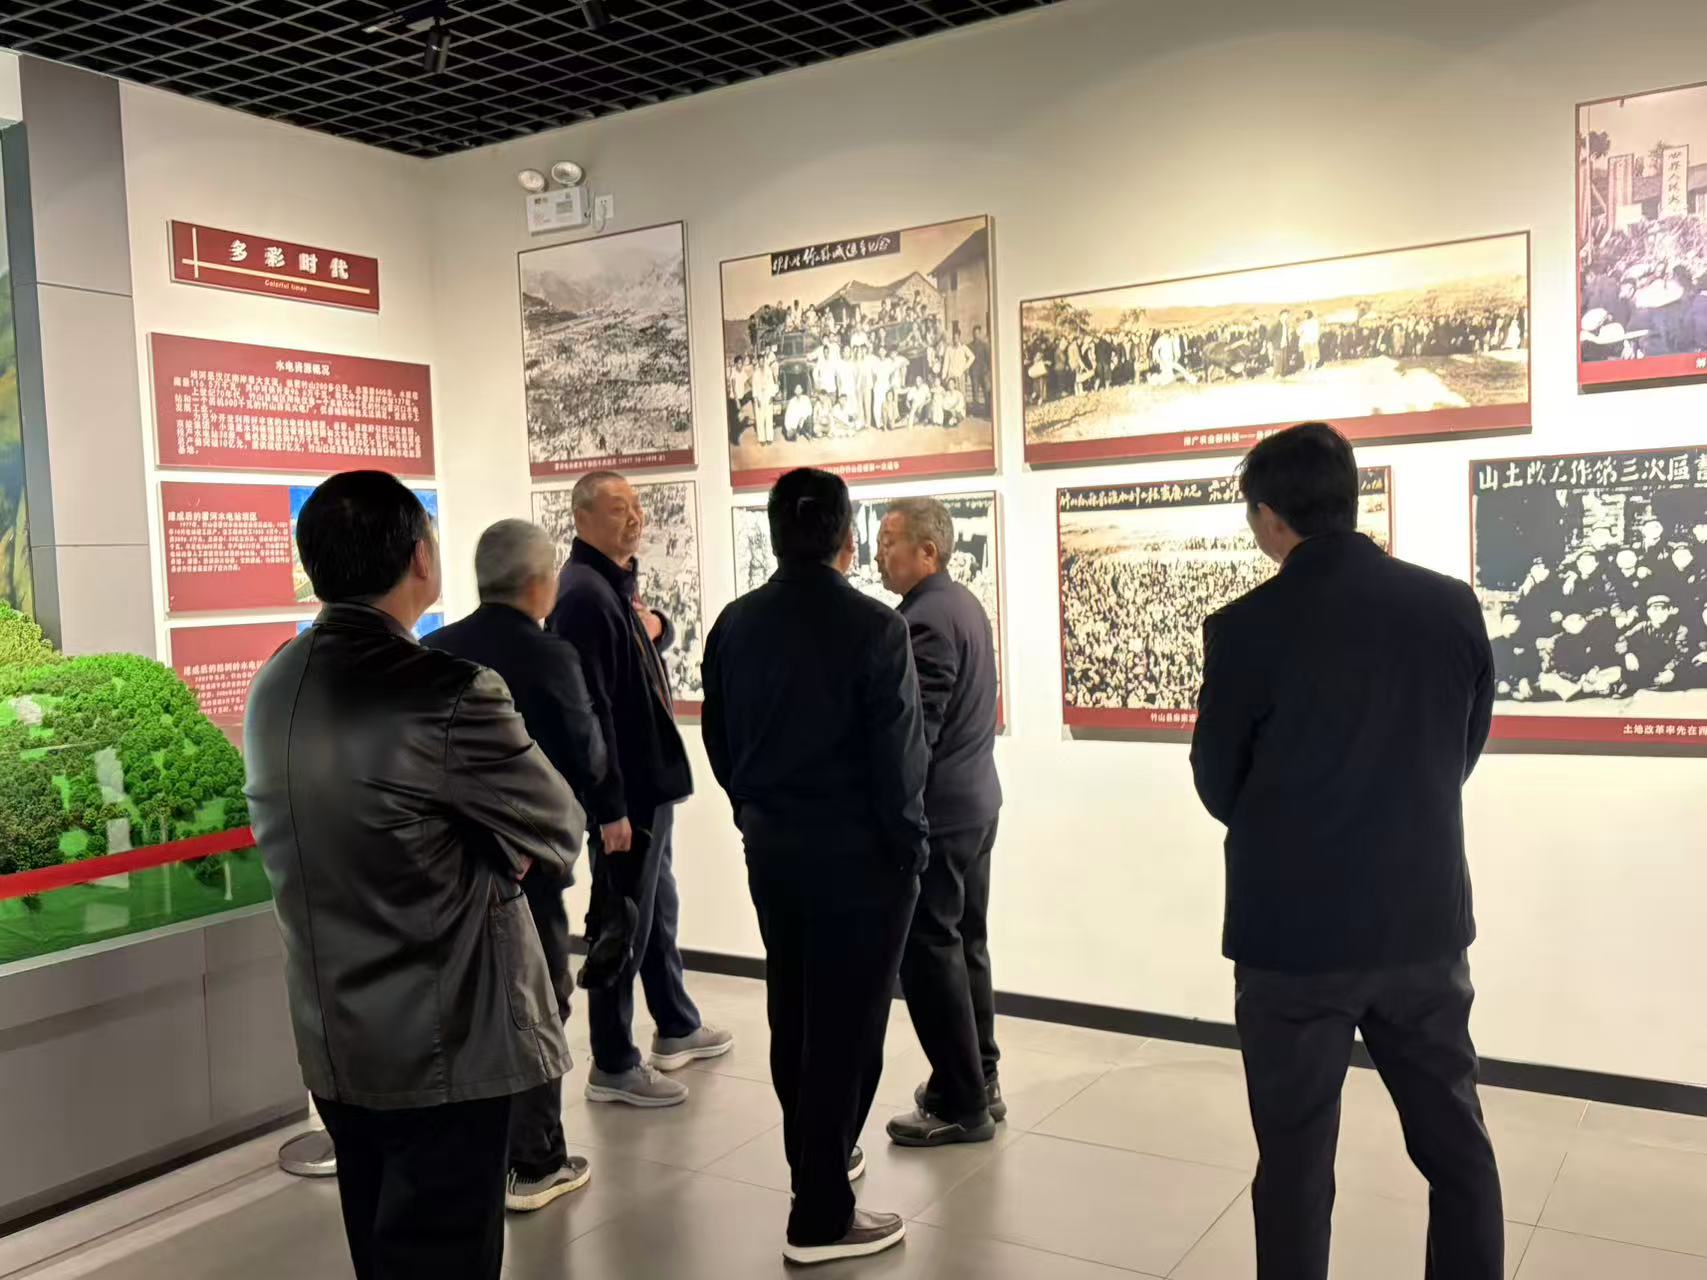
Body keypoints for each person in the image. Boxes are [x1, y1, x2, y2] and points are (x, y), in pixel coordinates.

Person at [245, 472, 584, 1280]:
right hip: (445, 1044)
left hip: (335, 1037)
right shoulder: (447, 690)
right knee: (446, 1253)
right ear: (420, 560)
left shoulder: (275, 682)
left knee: (382, 1249)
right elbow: (557, 824)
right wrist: (495, 841)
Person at [1190, 423, 1502, 1280]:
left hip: (1290, 937)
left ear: (1267, 516)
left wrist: (1288, 824)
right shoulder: (1448, 605)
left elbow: (1217, 782)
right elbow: (1462, 747)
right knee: (1456, 1148)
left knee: (1293, 1164)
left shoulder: (1244, 628)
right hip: (1419, 922)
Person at [701, 468, 928, 1267]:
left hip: (773, 850)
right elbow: (898, 761)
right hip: (860, 860)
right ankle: (820, 1211)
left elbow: (719, 741)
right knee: (848, 1031)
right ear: (847, 538)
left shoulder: (734, 625)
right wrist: (910, 849)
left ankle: (816, 1166)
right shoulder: (875, 627)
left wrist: (751, 810)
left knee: (793, 1015)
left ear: (774, 534)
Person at [423, 520, 607, 1213]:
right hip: (530, 866)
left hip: (453, 866)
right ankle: (536, 1160)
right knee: (539, 1003)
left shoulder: (435, 650)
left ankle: (478, 1152)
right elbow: (585, 754)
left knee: (467, 1005)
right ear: (539, 582)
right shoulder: (549, 654)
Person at [549, 471, 731, 1109]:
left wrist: (658, 628)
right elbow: (591, 708)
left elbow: (636, 646)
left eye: (636, 507)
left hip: (646, 783)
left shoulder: (610, 586)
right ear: (582, 518)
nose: (636, 518)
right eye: (618, 508)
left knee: (653, 907)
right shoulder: (583, 594)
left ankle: (675, 1022)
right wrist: (610, 806)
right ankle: (614, 1060)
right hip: (625, 792)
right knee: (621, 918)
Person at [874, 499, 1005, 1149]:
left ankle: (961, 1100)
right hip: (976, 805)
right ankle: (980, 1075)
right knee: (965, 944)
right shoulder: (963, 605)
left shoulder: (922, 620)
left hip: (942, 816)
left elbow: (915, 737)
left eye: (890, 542)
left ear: (928, 551)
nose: (878, 554)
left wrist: (892, 816)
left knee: (930, 952)